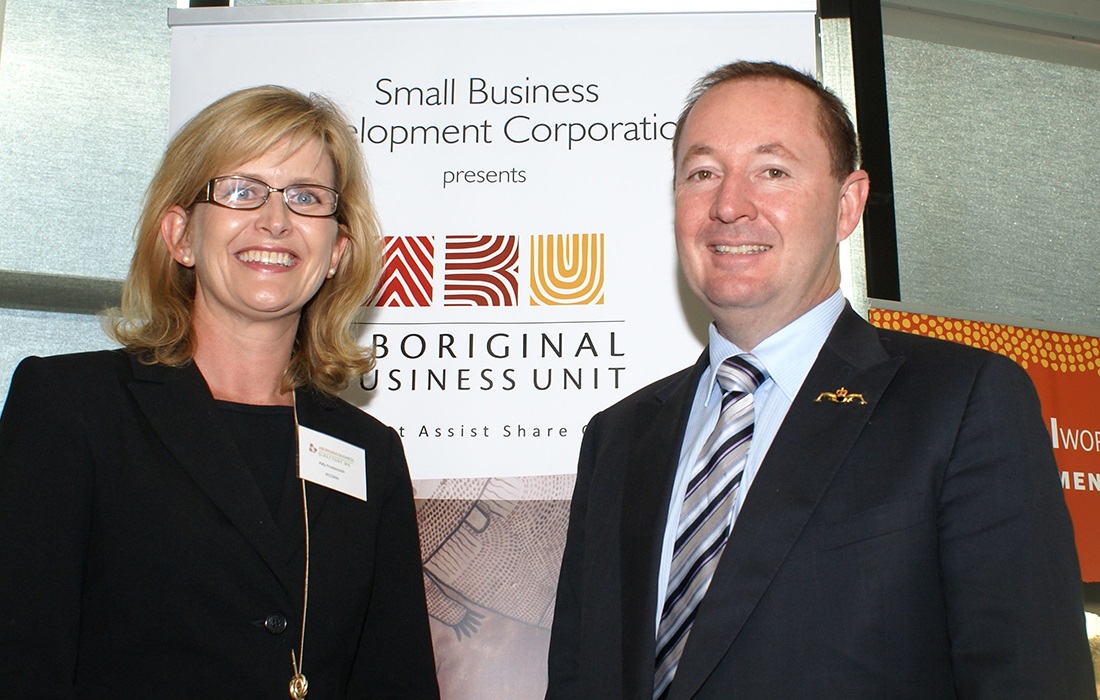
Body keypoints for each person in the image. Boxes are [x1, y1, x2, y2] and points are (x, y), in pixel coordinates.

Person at [545, 61, 1095, 699]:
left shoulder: (963, 402)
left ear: (847, 204)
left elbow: (1030, 681)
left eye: (772, 171)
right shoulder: (617, 437)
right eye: (702, 174)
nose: (728, 205)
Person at [0, 86, 440, 698]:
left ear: (337, 251)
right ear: (180, 234)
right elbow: (21, 661)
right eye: (241, 191)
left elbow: (396, 678)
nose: (277, 220)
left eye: (307, 198)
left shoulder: (369, 449)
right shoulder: (73, 407)